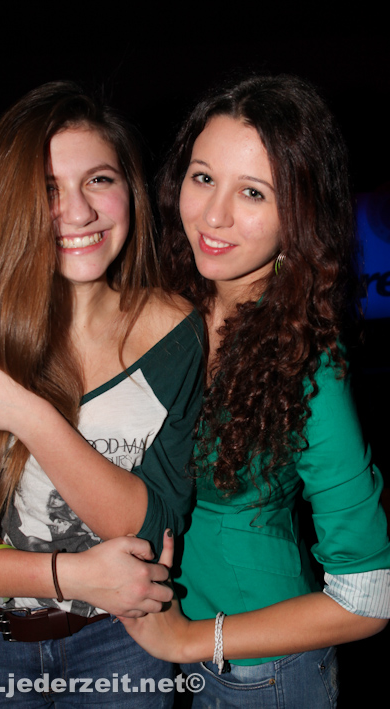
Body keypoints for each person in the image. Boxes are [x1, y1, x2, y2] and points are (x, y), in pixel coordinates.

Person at [0, 81, 203, 706]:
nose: (77, 212)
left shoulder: (175, 333)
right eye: (48, 189)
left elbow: (154, 525)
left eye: (99, 180)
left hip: (122, 642)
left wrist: (32, 417)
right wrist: (70, 575)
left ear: (130, 189)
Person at [119, 74, 390, 707]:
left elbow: (369, 595)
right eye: (203, 178)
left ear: (300, 213)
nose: (214, 215)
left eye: (253, 192)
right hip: (152, 655)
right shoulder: (168, 311)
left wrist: (191, 640)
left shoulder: (307, 358)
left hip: (261, 675)